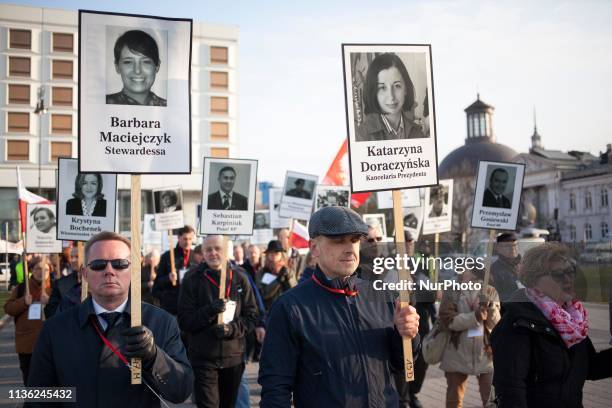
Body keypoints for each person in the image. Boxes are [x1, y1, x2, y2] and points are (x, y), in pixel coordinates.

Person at [258, 206, 421, 406]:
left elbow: (401, 365)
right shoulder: (291, 307)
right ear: (314, 248)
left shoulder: (382, 294)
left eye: (354, 240)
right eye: (338, 241)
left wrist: (406, 335)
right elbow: (275, 385)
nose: (350, 248)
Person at [26, 231, 193, 407]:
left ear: (133, 270)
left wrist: (154, 357)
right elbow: (38, 397)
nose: (109, 271)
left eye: (120, 264)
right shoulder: (55, 329)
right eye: (98, 265)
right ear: (84, 273)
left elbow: (181, 390)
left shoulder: (161, 322)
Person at [491, 242, 612, 407]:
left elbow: (590, 367)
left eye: (570, 271)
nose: (568, 279)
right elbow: (511, 391)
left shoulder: (572, 321)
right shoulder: (517, 323)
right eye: (558, 274)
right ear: (534, 280)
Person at [177, 235, 259, 408]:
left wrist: (231, 330)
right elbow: (185, 321)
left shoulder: (240, 277)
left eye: (217, 248)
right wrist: (210, 310)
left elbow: (252, 316)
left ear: (226, 250)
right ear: (203, 252)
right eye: (208, 249)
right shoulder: (192, 279)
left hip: (233, 358)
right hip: (203, 358)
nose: (213, 253)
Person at [438, 265, 500, 408]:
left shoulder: (490, 291)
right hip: (455, 352)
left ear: (473, 273)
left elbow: (495, 323)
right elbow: (449, 322)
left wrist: (490, 308)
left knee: (491, 400)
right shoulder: (452, 291)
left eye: (464, 268)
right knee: (454, 400)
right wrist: (475, 316)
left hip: (486, 353)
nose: (459, 271)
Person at [355, 53, 426, 142]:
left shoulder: (418, 133)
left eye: (397, 86)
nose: (391, 96)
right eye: (382, 87)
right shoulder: (360, 136)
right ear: (374, 92)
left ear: (406, 89)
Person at [4, 256, 52, 384]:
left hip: (49, 344)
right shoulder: (21, 288)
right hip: (27, 345)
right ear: (31, 270)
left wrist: (50, 302)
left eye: (46, 269)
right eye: (38, 268)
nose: (42, 272)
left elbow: (65, 311)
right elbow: (8, 308)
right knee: (30, 379)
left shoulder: (55, 289)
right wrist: (23, 302)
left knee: (48, 381)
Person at [106, 30, 167, 106]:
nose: (137, 71)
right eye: (128, 62)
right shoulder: (103, 104)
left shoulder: (167, 106)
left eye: (146, 62)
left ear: (157, 66)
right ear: (117, 67)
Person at [153, 225, 196, 315]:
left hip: (190, 307)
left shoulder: (196, 256)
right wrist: (168, 279)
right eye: (185, 238)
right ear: (178, 238)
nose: (188, 242)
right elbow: (156, 286)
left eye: (190, 239)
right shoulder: (167, 256)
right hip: (171, 307)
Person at [256, 240, 296, 311]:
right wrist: (277, 280)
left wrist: (288, 278)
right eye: (271, 253)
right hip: (269, 311)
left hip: (287, 309)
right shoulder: (261, 272)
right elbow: (263, 294)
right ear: (267, 255)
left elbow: (294, 291)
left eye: (276, 253)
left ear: (281, 255)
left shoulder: (288, 270)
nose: (273, 255)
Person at [491, 232, 522, 305]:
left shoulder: (525, 264)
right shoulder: (494, 270)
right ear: (499, 248)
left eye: (515, 245)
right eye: (508, 245)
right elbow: (495, 296)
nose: (513, 248)